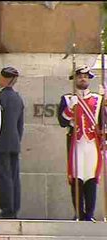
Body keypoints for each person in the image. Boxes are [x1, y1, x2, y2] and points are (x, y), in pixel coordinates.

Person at [57, 65, 102, 222]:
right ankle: (79, 213)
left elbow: (103, 122)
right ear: (74, 79)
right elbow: (62, 121)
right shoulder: (68, 99)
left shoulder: (98, 99)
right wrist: (70, 108)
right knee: (76, 178)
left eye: (85, 76)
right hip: (76, 144)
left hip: (92, 145)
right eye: (79, 76)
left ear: (89, 79)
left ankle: (89, 215)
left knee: (91, 178)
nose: (83, 78)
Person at [0, 66, 24, 219]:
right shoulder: (18, 98)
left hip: (0, 145)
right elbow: (20, 125)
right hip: (14, 143)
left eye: (0, 76)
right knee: (14, 178)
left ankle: (7, 210)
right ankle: (14, 209)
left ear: (6, 79)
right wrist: (16, 141)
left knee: (3, 178)